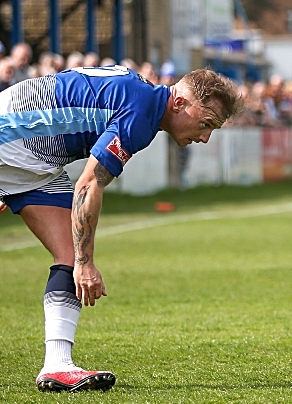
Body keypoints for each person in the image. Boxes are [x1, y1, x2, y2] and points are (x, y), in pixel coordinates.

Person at [0, 65, 244, 392]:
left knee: (68, 256)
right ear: (179, 103)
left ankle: (57, 365)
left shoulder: (143, 99)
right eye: (205, 124)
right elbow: (88, 186)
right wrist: (88, 263)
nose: (204, 137)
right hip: (13, 141)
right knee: (77, 260)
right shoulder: (142, 113)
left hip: (30, 158)